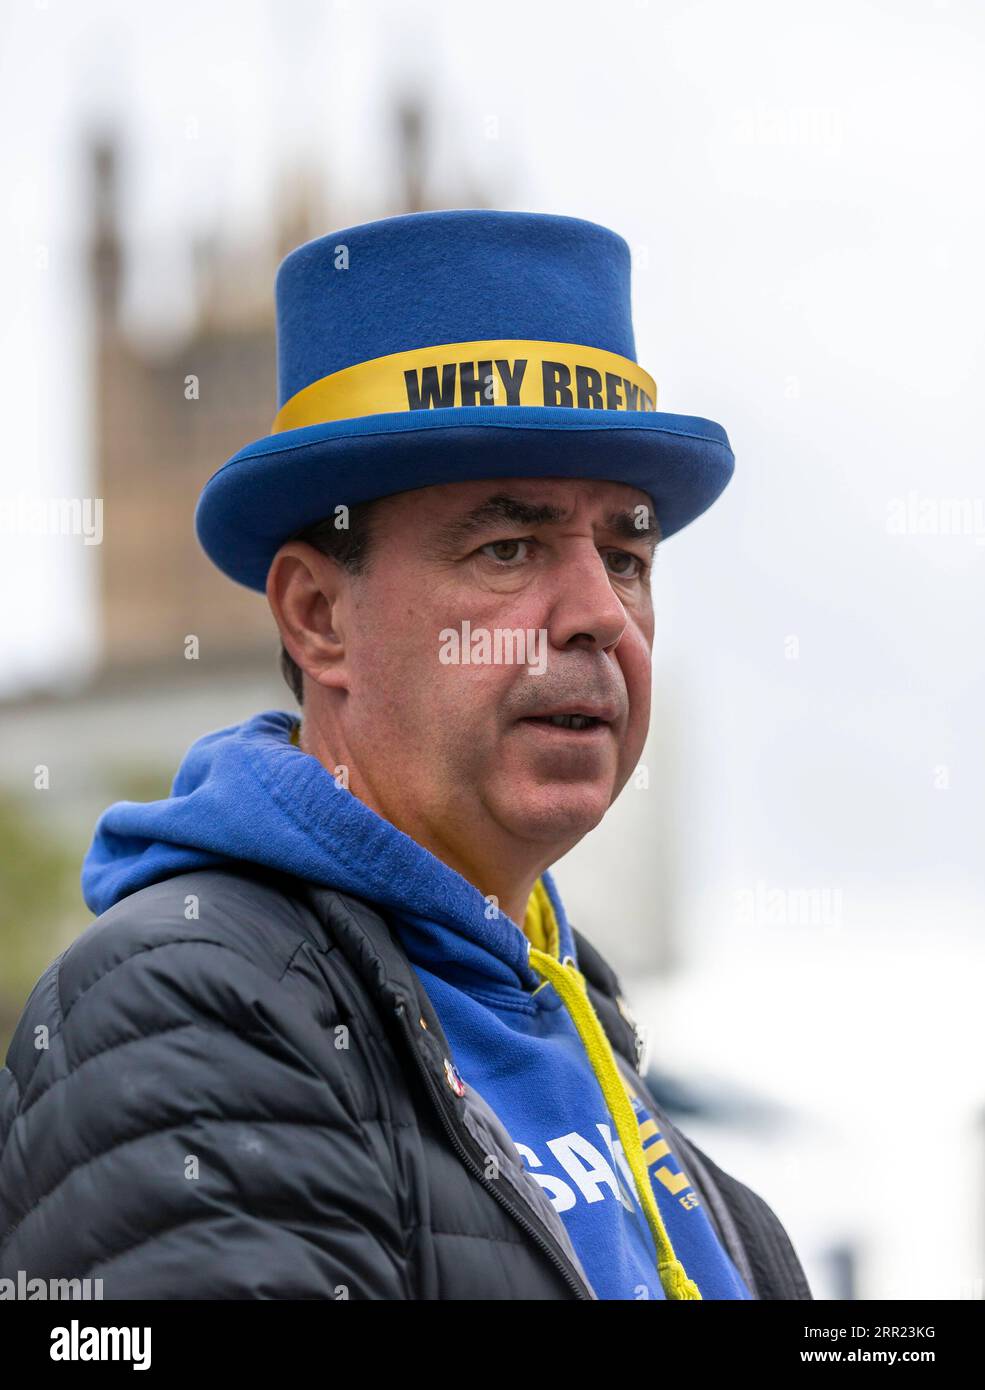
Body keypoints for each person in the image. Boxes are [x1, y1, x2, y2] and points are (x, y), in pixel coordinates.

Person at [0, 209, 811, 1300]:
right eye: (508, 546)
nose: (597, 616)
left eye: (626, 554)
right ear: (318, 616)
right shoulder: (189, 1010)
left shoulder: (619, 1086)